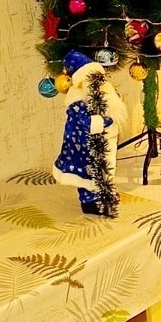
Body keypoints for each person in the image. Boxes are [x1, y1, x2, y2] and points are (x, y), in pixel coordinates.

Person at [53, 49, 126, 215]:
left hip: (100, 141)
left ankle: (104, 195)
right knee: (87, 174)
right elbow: (88, 122)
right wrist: (107, 121)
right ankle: (89, 203)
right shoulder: (77, 99)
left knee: (103, 168)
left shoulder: (98, 92)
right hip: (82, 144)